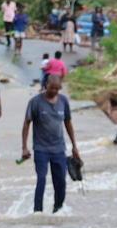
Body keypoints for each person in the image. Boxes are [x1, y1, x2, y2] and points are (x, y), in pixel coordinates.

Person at [21, 74, 79, 214]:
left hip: (59, 149)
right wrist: (24, 147)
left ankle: (57, 209)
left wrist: (74, 145)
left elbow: (68, 123)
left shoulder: (63, 101)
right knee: (41, 179)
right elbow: (26, 123)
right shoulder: (35, 102)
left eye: (57, 88)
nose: (54, 91)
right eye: (51, 87)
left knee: (61, 182)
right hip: (41, 149)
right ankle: (37, 211)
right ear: (45, 84)